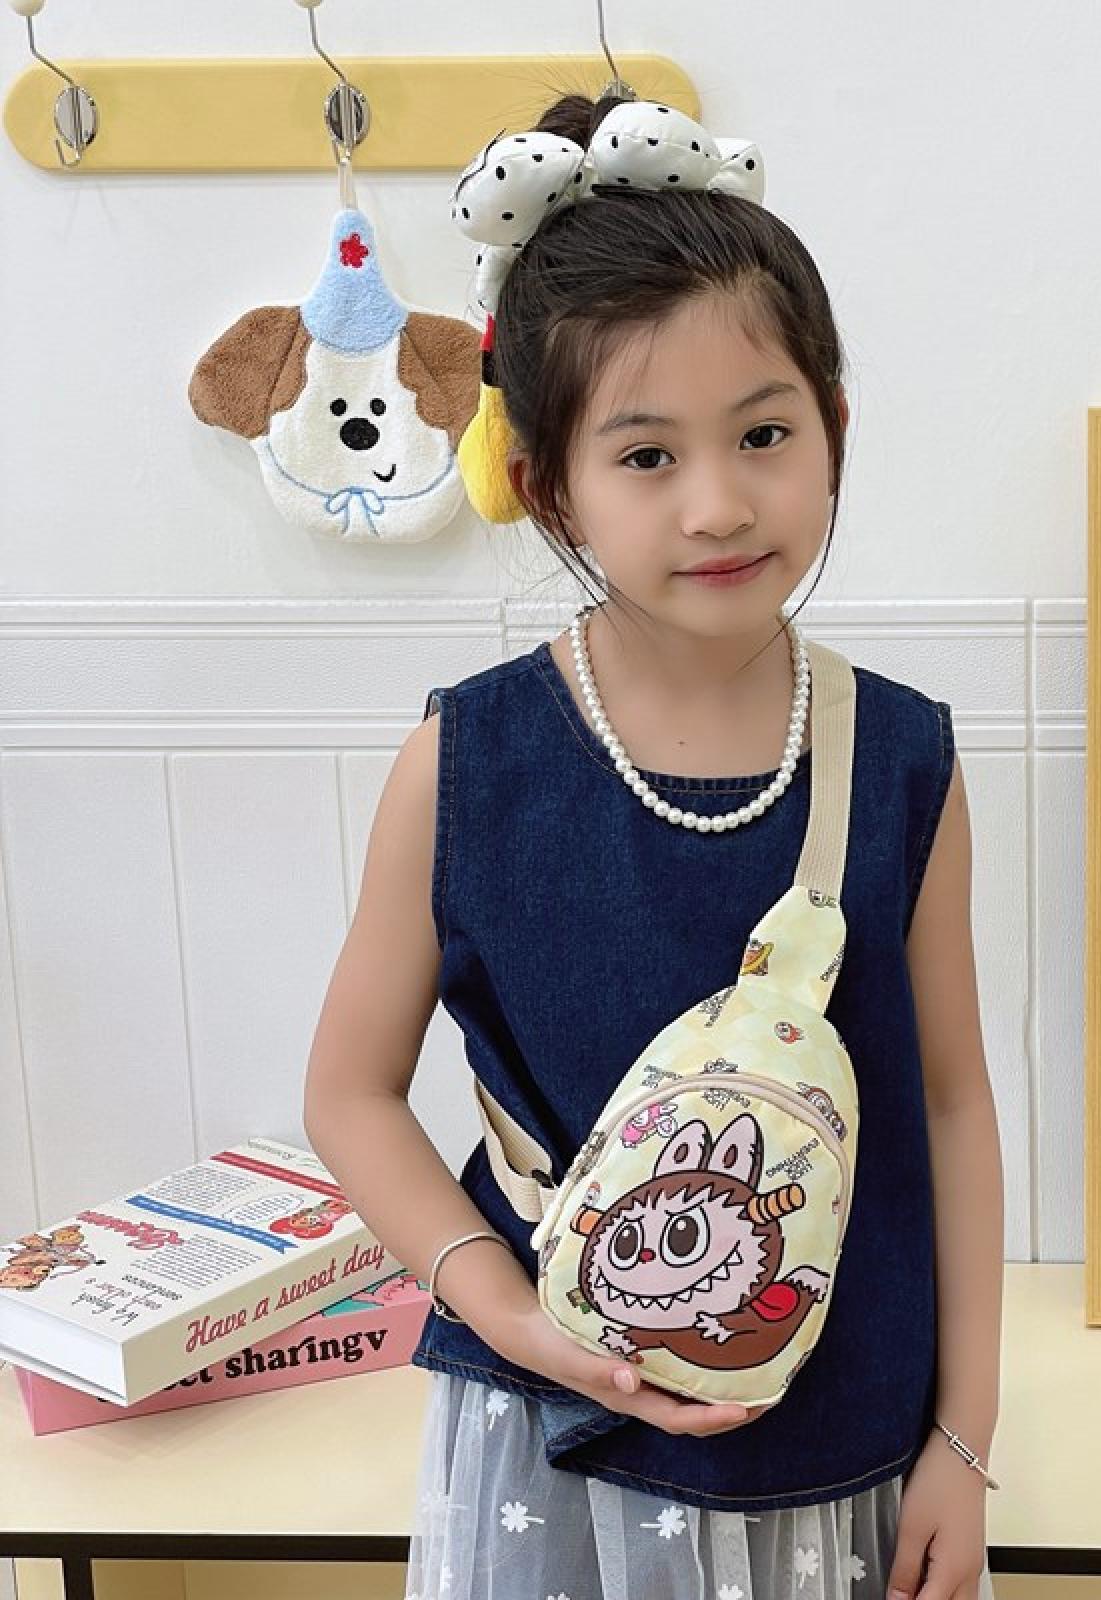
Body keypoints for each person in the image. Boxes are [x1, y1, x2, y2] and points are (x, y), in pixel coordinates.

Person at [302, 87, 1004, 1600]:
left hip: (852, 1433)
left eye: (765, 433)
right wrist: (503, 1311)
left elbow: (950, 1103)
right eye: (644, 456)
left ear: (832, 431)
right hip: (551, 1440)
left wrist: (967, 1437)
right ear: (544, 482)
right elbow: (349, 1093)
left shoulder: (905, 763)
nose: (720, 503)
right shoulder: (466, 764)